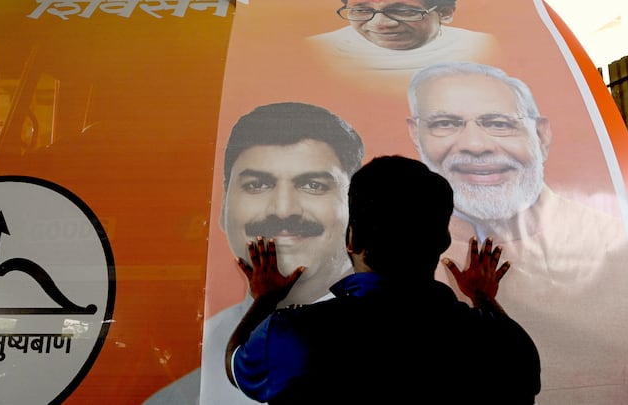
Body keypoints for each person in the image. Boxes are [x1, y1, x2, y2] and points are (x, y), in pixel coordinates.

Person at [406, 61, 628, 404]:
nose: (475, 145)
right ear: (414, 134)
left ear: (541, 134)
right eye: (445, 124)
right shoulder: (407, 255)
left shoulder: (617, 247)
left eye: (498, 123)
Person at [226, 155, 541, 404]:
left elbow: (236, 365)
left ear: (352, 238)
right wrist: (483, 297)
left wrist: (266, 298)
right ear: (443, 240)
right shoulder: (501, 344)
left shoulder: (291, 335)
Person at [144, 101, 364, 404]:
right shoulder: (177, 371)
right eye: (257, 184)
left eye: (313, 185)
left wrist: (264, 303)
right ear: (221, 208)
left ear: (357, 210)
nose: (283, 210)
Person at [307, 0, 500, 74]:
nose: (380, 24)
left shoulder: (482, 48)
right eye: (362, 10)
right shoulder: (318, 49)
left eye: (403, 10)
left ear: (445, 13)